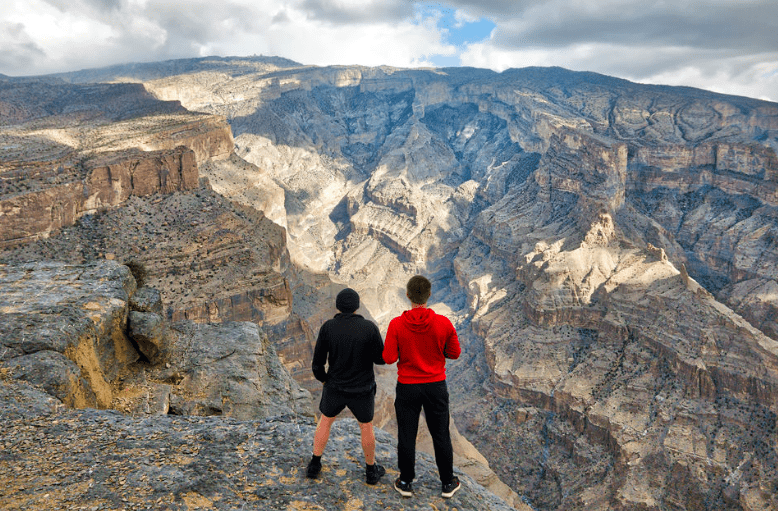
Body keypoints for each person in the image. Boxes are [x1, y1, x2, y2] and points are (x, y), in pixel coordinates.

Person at [383, 275, 462, 499]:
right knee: (441, 434)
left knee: (406, 434)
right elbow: (454, 353)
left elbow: (388, 358)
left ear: (407, 295)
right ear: (429, 295)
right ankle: (447, 482)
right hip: (435, 386)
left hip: (407, 387)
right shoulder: (443, 323)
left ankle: (405, 481)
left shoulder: (396, 324)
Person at [306, 287, 387, 485]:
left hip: (335, 387)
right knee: (366, 427)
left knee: (325, 422)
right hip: (362, 389)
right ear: (357, 306)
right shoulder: (369, 328)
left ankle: (314, 465)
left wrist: (325, 380)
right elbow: (381, 359)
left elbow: (317, 364)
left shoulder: (328, 327)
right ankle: (371, 471)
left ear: (338, 306)